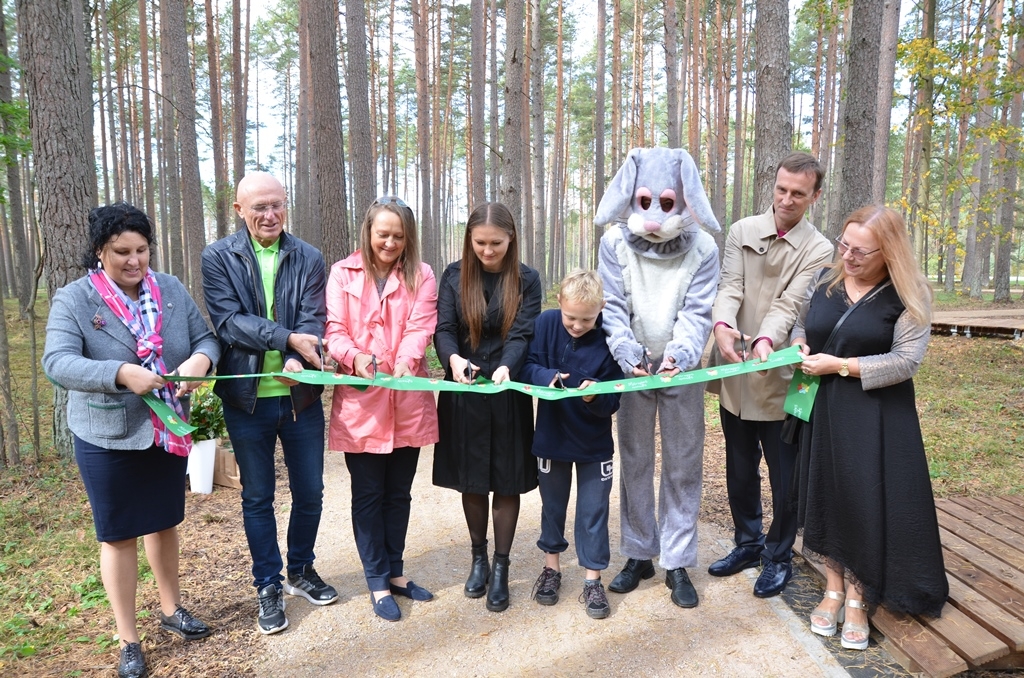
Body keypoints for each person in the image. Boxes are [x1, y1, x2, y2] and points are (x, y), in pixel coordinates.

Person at [43, 203, 220, 678]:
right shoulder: (75, 300)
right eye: (122, 251)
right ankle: (128, 638)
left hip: (167, 430)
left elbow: (206, 339)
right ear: (100, 251)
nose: (134, 261)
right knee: (119, 535)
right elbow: (57, 363)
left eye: (142, 250)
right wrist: (120, 373)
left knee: (164, 523)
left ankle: (171, 610)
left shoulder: (170, 290)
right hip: (107, 437)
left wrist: (200, 364)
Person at [792, 205, 947, 650]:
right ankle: (833, 588)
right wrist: (798, 343)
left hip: (876, 415)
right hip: (824, 407)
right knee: (829, 493)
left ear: (889, 252)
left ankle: (858, 599)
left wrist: (840, 365)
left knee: (866, 498)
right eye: (844, 245)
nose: (849, 257)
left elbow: (906, 360)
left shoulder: (909, 293)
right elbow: (802, 323)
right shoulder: (824, 280)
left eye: (862, 251)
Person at [201, 172, 337, 635]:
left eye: (277, 204)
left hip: (301, 397)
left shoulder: (310, 257)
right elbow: (228, 322)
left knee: (312, 494)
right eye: (259, 207)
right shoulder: (218, 257)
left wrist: (305, 352)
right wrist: (287, 340)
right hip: (246, 400)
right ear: (239, 210)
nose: (269, 215)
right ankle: (268, 585)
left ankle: (300, 571)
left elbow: (314, 316)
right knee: (257, 497)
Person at [705, 152, 834, 598]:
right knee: (739, 471)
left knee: (784, 476)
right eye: (781, 189)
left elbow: (792, 305)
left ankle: (778, 555)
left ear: (815, 196)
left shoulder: (819, 249)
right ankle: (748, 542)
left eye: (799, 193)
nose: (787, 199)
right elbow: (730, 287)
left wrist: (764, 342)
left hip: (780, 377)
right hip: (735, 373)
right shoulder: (742, 230)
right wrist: (722, 326)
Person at [597, 148, 720, 609]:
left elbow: (698, 309)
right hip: (631, 369)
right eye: (645, 201)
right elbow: (611, 304)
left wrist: (681, 355)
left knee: (683, 461)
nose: (653, 215)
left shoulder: (704, 249)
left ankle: (678, 559)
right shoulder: (613, 243)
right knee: (635, 458)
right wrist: (626, 351)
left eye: (666, 204)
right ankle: (639, 552)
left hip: (680, 369)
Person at [324, 196, 439, 622]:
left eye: (397, 235)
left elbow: (421, 325)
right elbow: (334, 330)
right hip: (362, 402)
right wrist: (354, 357)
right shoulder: (342, 273)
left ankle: (395, 571)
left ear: (408, 238)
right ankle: (375, 579)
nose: (389, 242)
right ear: (368, 232)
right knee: (369, 494)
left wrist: (407, 361)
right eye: (382, 234)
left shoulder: (421, 274)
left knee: (399, 493)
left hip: (407, 397)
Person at [433, 202, 543, 613]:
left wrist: (508, 368)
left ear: (511, 238)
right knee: (472, 480)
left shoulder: (527, 279)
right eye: (479, 243)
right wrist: (454, 361)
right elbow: (443, 330)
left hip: (506, 390)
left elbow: (522, 333)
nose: (487, 251)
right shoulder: (453, 275)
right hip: (464, 389)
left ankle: (501, 564)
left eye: (496, 243)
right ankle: (478, 558)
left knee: (507, 479)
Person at [520, 270, 622, 619]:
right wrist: (545, 378)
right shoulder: (546, 324)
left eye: (587, 319)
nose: (577, 325)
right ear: (559, 303)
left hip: (594, 443)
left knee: (594, 511)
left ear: (601, 310)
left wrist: (596, 397)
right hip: (552, 437)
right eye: (571, 317)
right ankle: (552, 569)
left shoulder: (612, 337)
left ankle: (593, 580)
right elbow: (527, 366)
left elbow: (616, 395)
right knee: (552, 506)